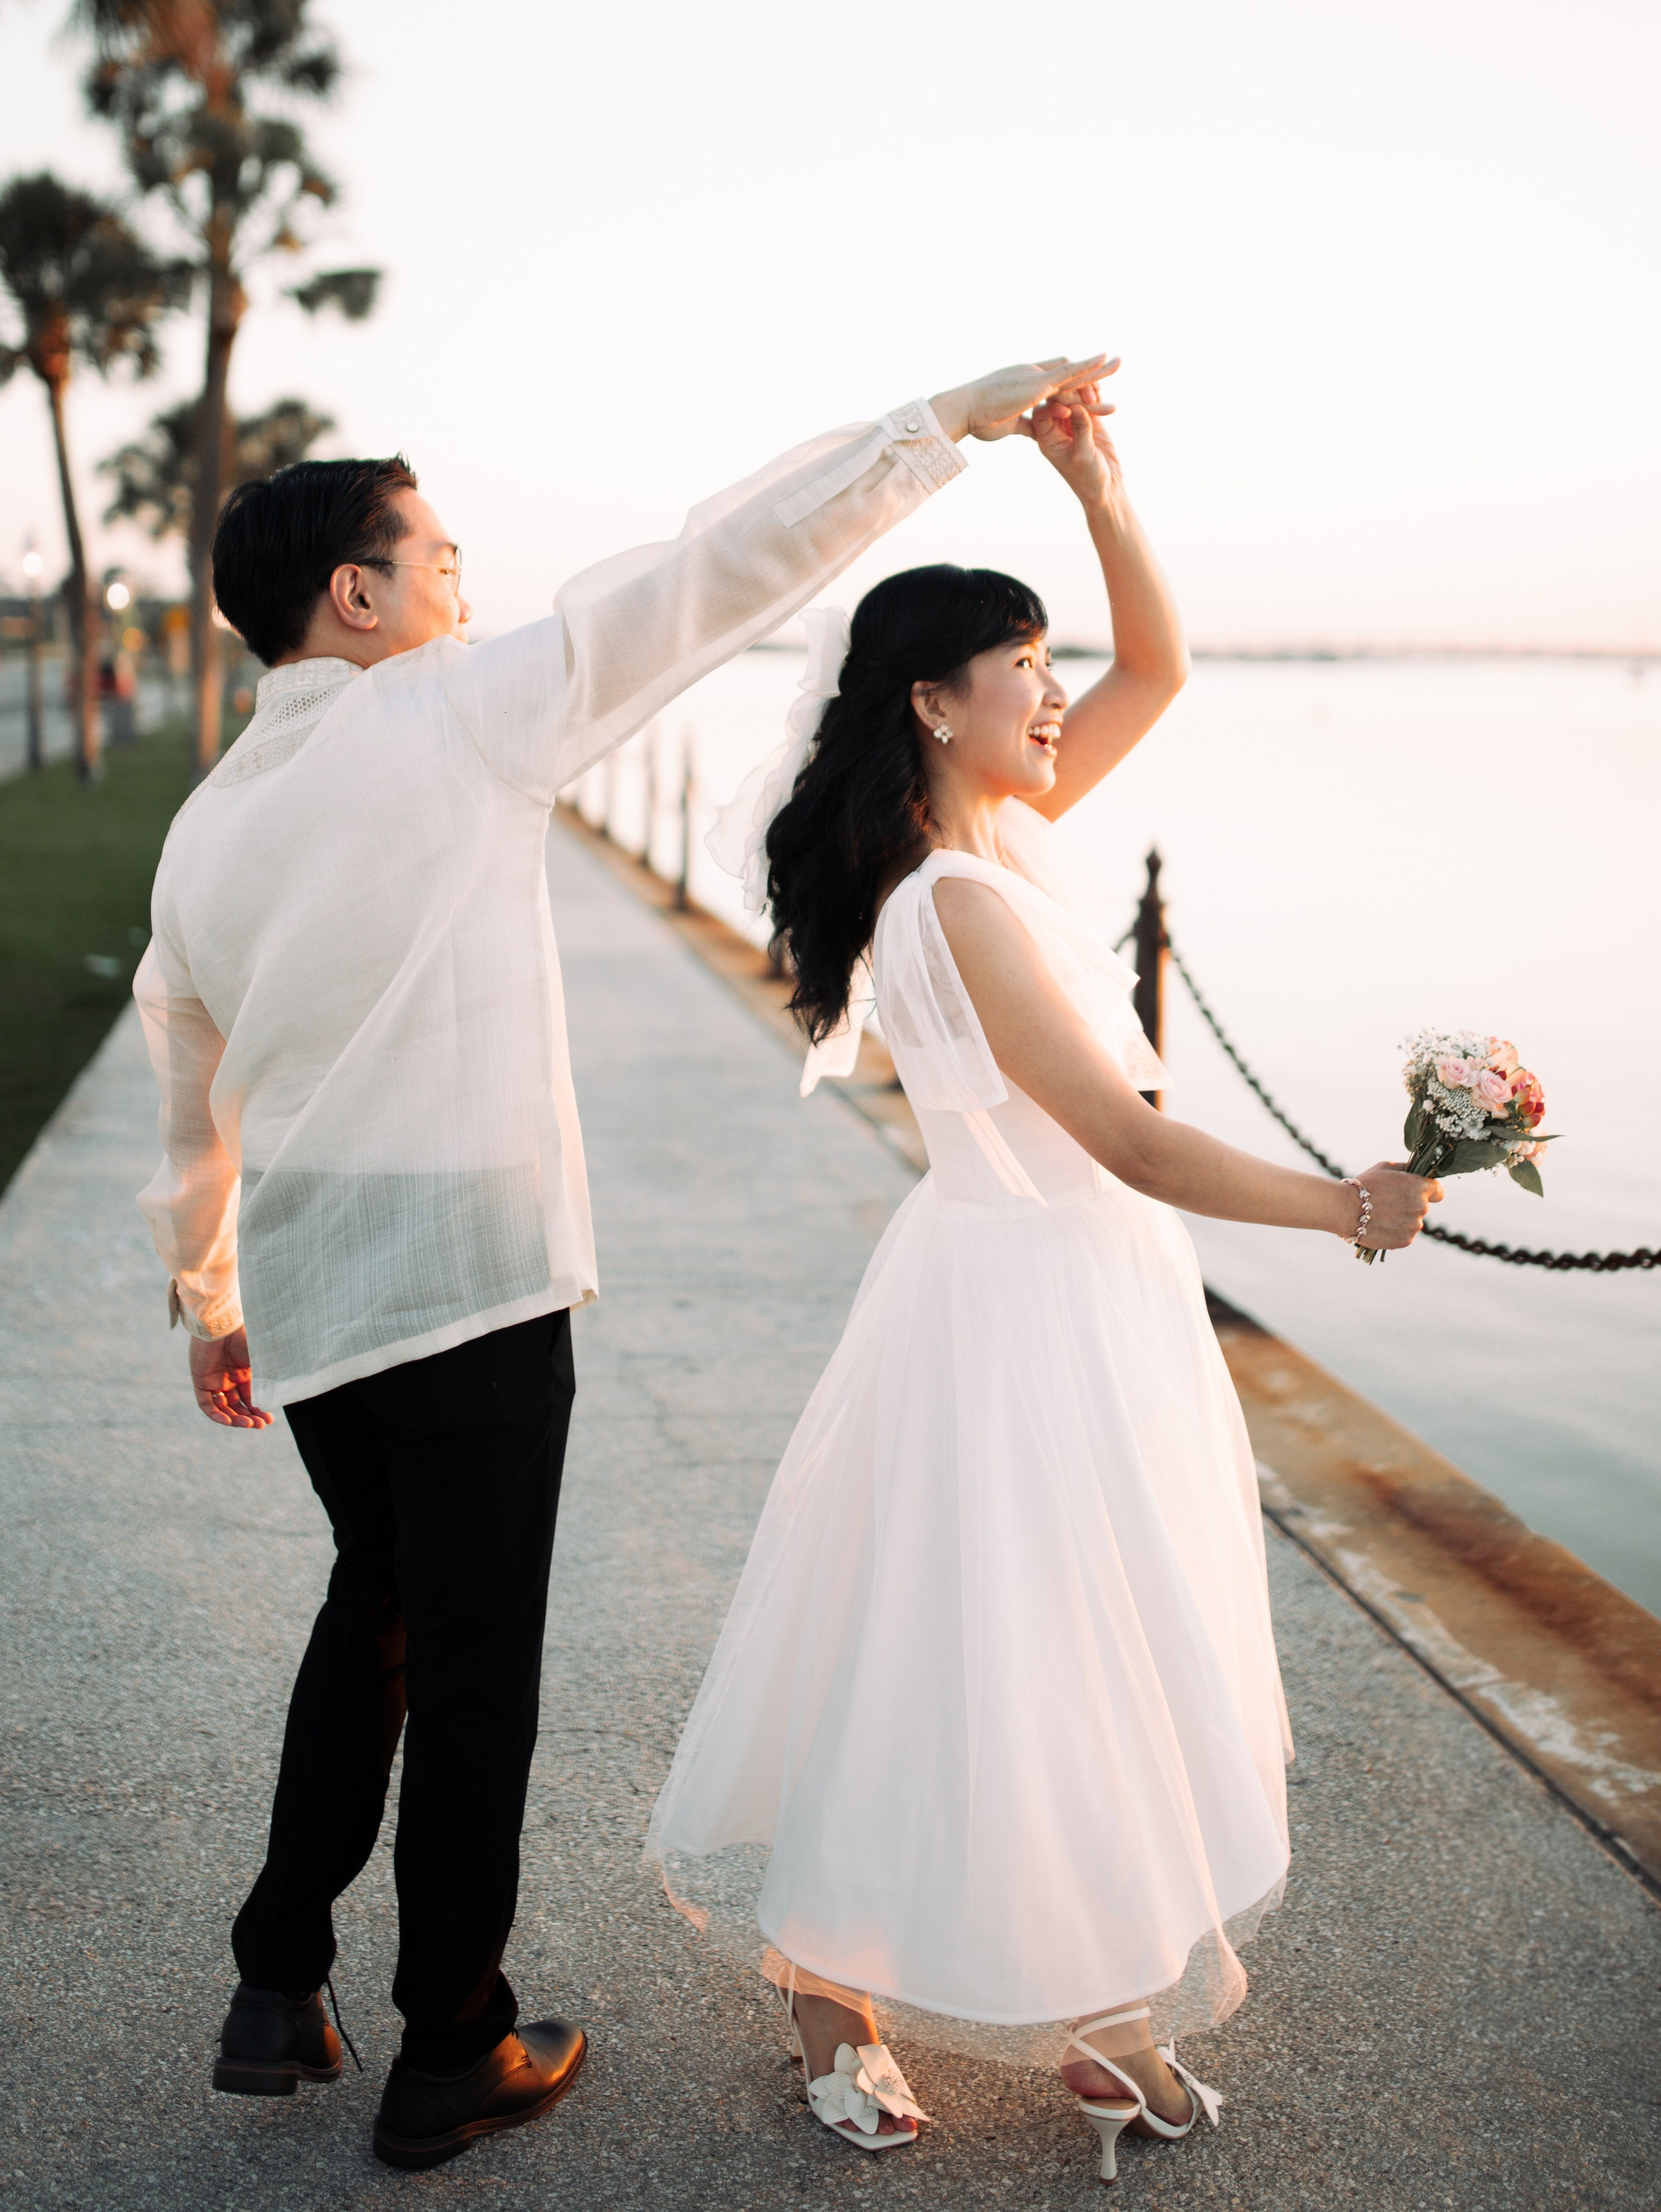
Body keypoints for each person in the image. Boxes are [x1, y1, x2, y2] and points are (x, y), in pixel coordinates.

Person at [132, 355, 1116, 2174]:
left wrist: (208, 1297)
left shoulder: (206, 823)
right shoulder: (448, 714)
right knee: (470, 1661)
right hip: (474, 1279)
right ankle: (453, 2046)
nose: (462, 585)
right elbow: (715, 565)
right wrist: (940, 427)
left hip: (322, 1288)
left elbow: (188, 1091)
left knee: (378, 1611)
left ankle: (279, 1977)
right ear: (353, 597)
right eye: (434, 557)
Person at [644, 369, 1440, 2180]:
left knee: (1085, 1652)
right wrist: (1346, 1208)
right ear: (933, 705)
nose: (1060, 697)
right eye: (1024, 676)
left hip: (1088, 1303)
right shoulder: (950, 899)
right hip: (1012, 1305)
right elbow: (1131, 1140)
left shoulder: (1005, 845)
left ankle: (1086, 1995)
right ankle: (832, 1995)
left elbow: (1158, 668)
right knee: (968, 1645)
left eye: (1046, 668)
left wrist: (1098, 489)